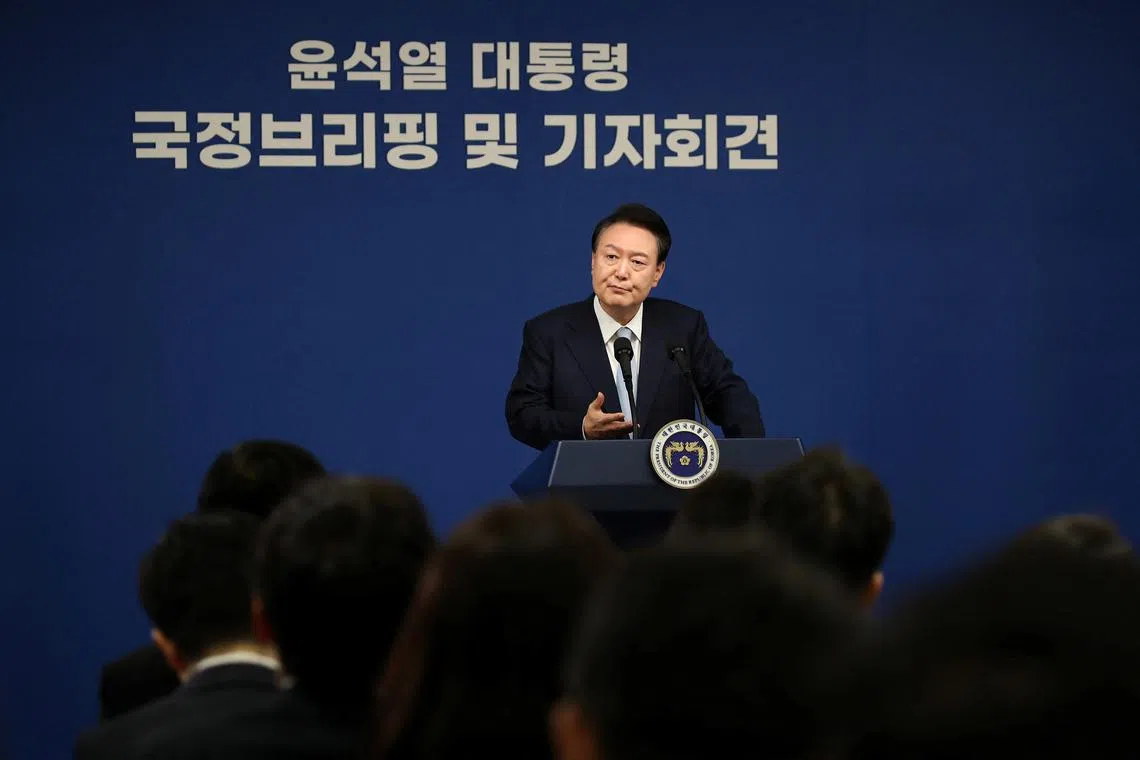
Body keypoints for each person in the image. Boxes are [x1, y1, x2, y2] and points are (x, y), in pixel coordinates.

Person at [505, 203, 765, 451]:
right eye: (611, 256)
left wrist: (752, 459)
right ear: (593, 261)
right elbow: (523, 413)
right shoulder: (549, 332)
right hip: (582, 487)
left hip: (669, 488)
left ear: (658, 273)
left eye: (637, 262)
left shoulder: (682, 326)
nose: (621, 272)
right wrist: (582, 427)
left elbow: (729, 395)